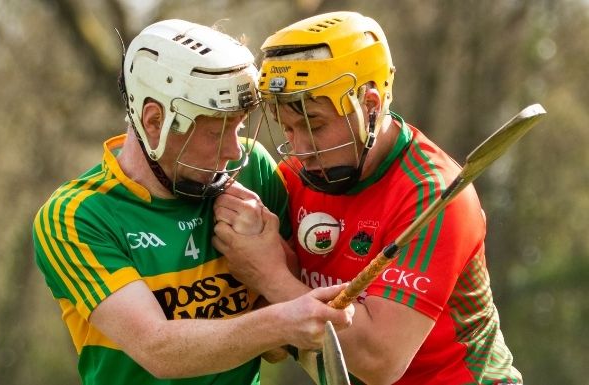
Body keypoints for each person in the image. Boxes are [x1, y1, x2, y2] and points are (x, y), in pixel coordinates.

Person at [32, 19, 354, 385]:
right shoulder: (77, 215)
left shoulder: (252, 172)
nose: (234, 150)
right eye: (217, 133)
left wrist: (271, 261)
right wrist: (282, 321)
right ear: (155, 121)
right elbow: (158, 350)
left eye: (240, 127)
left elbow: (276, 349)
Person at [213, 11, 523, 385]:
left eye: (316, 124)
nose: (300, 148)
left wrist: (271, 276)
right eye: (288, 128)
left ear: (370, 104)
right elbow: (274, 347)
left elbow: (380, 361)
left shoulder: (433, 194)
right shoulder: (296, 177)